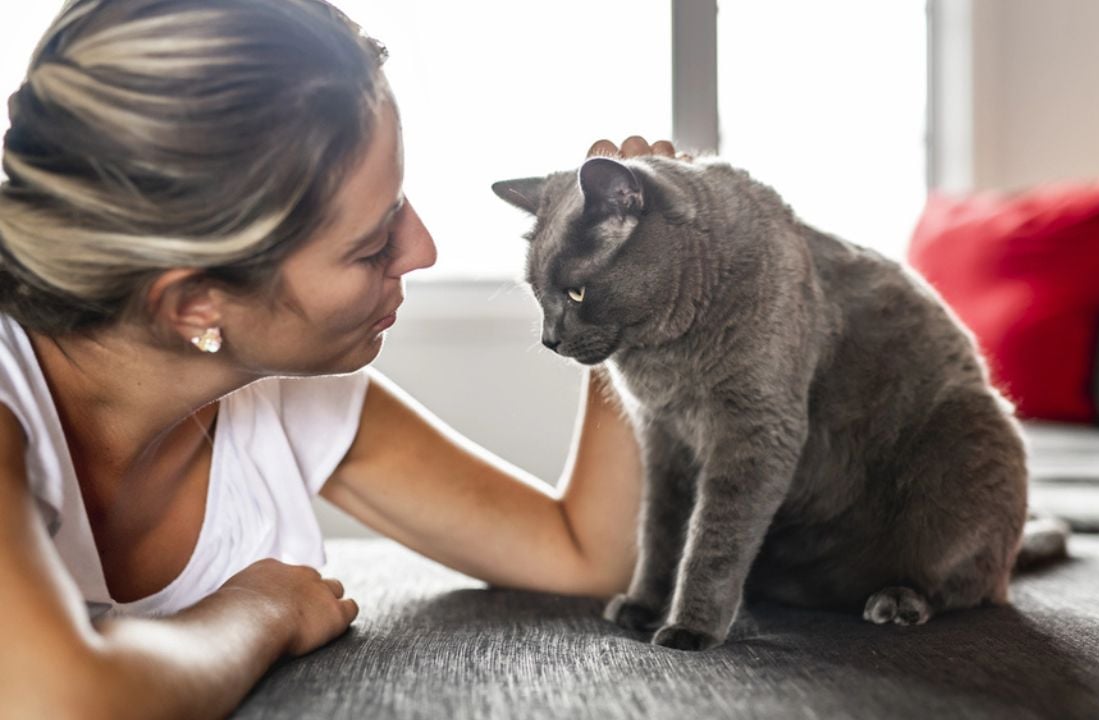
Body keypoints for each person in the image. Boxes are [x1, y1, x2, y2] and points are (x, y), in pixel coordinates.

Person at [0, 1, 667, 716]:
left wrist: (622, 284)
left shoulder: (275, 394)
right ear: (194, 303)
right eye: (374, 243)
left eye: (401, 204)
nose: (422, 250)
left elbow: (587, 554)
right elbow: (62, 702)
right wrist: (261, 610)